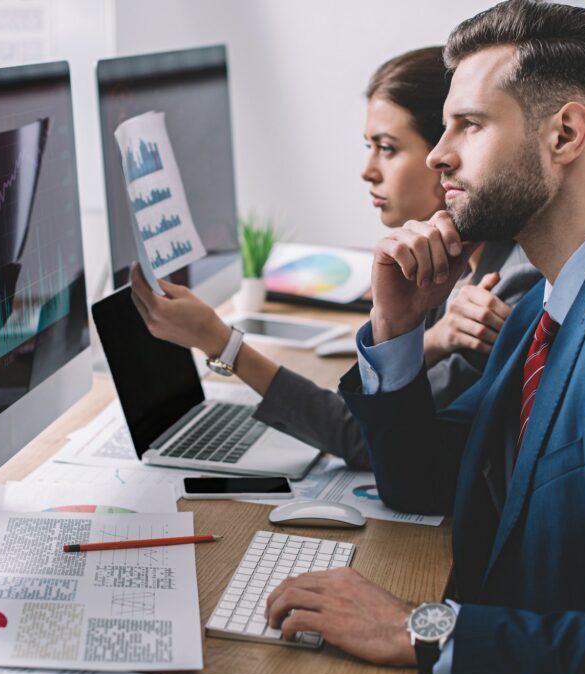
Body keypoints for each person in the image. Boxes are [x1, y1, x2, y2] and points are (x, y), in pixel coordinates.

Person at [264, 2, 585, 674]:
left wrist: (419, 628)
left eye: (470, 124)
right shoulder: (538, 309)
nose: (438, 153)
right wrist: (397, 329)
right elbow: (421, 482)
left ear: (566, 133)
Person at [130, 46, 540, 468]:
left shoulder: (499, 292)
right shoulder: (456, 264)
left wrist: (220, 342)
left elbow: (363, 437)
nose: (368, 169)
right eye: (369, 146)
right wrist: (429, 341)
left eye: (387, 148)